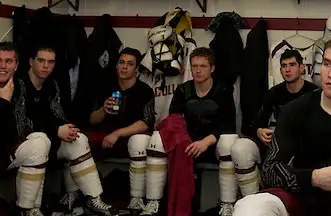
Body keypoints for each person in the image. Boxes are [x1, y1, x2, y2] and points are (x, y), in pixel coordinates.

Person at [233, 36, 331, 216]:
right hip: (306, 202)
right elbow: (269, 171)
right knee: (249, 208)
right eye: (327, 64)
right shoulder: (296, 110)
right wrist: (314, 178)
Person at [18, 46, 118, 215]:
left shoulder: (52, 84)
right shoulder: (19, 83)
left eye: (50, 62)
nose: (45, 66)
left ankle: (93, 198)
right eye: (41, 61)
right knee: (39, 140)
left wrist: (67, 129)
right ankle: (28, 209)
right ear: (30, 62)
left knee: (79, 139)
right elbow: (22, 123)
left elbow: (58, 114)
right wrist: (55, 130)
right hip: (23, 144)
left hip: (48, 140)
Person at [140, 47, 237, 216]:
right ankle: (153, 203)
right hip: (187, 145)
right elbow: (173, 120)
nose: (198, 70)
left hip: (213, 145)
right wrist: (185, 141)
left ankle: (227, 204)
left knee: (229, 142)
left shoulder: (223, 91)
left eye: (203, 66)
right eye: (194, 66)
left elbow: (228, 125)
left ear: (212, 68)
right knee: (156, 138)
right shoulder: (184, 89)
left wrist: (206, 141)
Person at [226, 49, 318, 203]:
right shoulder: (273, 93)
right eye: (284, 66)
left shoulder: (314, 93)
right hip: (275, 143)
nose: (288, 69)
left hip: (303, 148)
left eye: (292, 65)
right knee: (240, 148)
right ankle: (252, 201)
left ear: (302, 68)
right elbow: (257, 123)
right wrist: (259, 130)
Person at [87, 47, 156, 214]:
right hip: (105, 136)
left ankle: (136, 200)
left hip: (129, 137)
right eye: (121, 62)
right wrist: (103, 110)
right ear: (116, 66)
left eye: (130, 64)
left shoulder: (144, 90)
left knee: (140, 141)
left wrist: (118, 133)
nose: (124, 67)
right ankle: (87, 197)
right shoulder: (105, 86)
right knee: (78, 139)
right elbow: (91, 120)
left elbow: (146, 122)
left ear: (137, 69)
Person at [0, 42, 52, 216]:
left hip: (8, 148)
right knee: (38, 144)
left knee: (42, 139)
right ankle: (26, 209)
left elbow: (21, 124)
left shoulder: (19, 85)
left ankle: (30, 208)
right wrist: (4, 103)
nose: (3, 66)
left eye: (8, 61)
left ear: (16, 65)